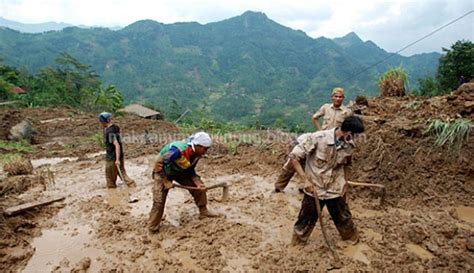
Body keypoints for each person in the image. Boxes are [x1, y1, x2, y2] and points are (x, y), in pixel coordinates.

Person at [289, 116, 364, 245]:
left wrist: (346, 183)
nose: (356, 139)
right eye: (355, 136)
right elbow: (294, 157)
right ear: (349, 133)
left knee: (344, 218)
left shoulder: (349, 146)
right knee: (305, 220)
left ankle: (352, 241)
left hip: (334, 188)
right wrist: (305, 181)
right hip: (315, 187)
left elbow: (347, 164)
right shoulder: (318, 138)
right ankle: (297, 244)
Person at [148, 132, 221, 233]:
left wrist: (197, 181)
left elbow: (190, 169)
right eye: (205, 149)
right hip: (162, 172)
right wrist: (165, 181)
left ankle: (203, 211)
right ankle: (153, 227)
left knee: (199, 189)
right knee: (159, 201)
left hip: (179, 171)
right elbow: (159, 163)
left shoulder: (197, 153)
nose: (206, 152)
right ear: (198, 146)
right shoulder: (177, 151)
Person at [99, 112, 136, 188]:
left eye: (100, 121)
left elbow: (116, 144)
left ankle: (112, 195)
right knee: (122, 173)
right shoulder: (115, 127)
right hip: (119, 156)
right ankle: (132, 185)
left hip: (112, 158)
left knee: (110, 180)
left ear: (103, 121)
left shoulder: (109, 132)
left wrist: (117, 159)